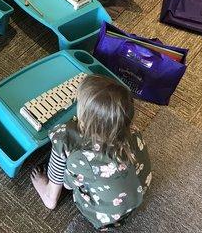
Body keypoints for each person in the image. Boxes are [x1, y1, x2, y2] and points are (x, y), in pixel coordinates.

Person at [31, 75, 151, 230]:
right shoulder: (132, 130)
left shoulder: (83, 158)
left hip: (108, 213)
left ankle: (49, 196)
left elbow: (67, 185)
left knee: (62, 137)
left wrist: (68, 135)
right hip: (139, 190)